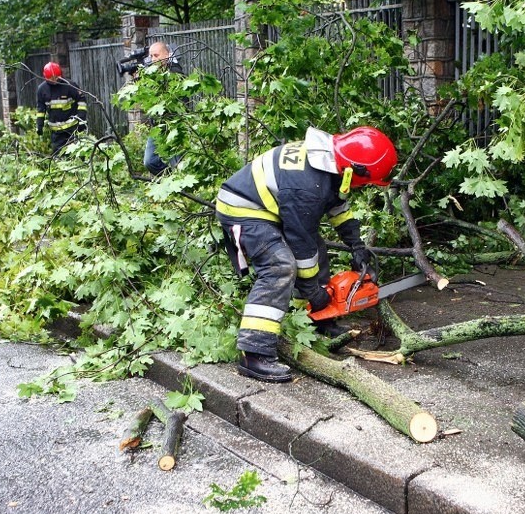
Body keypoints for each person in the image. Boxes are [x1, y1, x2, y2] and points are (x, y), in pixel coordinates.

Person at [216, 126, 398, 383]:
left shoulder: (332, 165)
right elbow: (299, 243)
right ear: (356, 169)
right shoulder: (307, 187)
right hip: (244, 209)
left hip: (274, 207)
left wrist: (357, 246)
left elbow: (339, 208)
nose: (364, 186)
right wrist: (313, 288)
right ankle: (253, 352)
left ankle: (313, 319)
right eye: (366, 181)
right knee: (281, 266)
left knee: (317, 252)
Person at [143, 41, 185, 176]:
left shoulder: (175, 73)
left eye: (156, 55)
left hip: (175, 126)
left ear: (167, 55)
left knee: (179, 165)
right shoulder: (151, 74)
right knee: (150, 161)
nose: (153, 59)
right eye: (151, 56)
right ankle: (168, 181)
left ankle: (183, 191)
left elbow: (181, 103)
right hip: (157, 126)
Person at [36, 62, 87, 155]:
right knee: (59, 157)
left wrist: (82, 120)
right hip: (56, 132)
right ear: (46, 77)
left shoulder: (69, 85)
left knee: (76, 155)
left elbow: (82, 101)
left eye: (56, 77)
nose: (55, 80)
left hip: (72, 129)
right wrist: (39, 125)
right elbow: (41, 109)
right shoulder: (42, 90)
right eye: (52, 78)